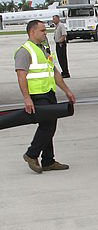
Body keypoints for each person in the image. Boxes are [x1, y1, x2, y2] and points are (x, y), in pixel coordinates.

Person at [15, 20, 76, 173]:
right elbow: (21, 76)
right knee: (48, 126)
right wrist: (27, 98)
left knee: (49, 125)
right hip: (37, 94)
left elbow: (54, 72)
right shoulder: (24, 51)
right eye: (42, 30)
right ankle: (31, 154)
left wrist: (67, 90)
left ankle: (48, 161)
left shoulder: (44, 49)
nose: (45, 33)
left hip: (49, 92)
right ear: (32, 32)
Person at [51, 14, 70, 78]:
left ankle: (66, 72)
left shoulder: (61, 25)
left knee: (63, 59)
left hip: (61, 44)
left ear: (58, 19)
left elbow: (64, 34)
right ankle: (63, 71)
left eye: (54, 19)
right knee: (60, 59)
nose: (53, 20)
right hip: (58, 44)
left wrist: (60, 42)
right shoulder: (57, 26)